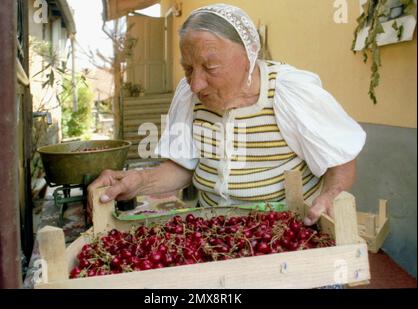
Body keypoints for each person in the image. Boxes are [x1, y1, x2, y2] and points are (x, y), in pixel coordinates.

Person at [88, 3, 366, 226]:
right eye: (188, 68)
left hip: (283, 230)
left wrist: (330, 196)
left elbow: (339, 160)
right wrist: (139, 181)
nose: (196, 84)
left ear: (249, 58)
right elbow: (184, 166)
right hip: (215, 230)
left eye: (210, 68)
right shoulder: (188, 95)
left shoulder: (288, 91)